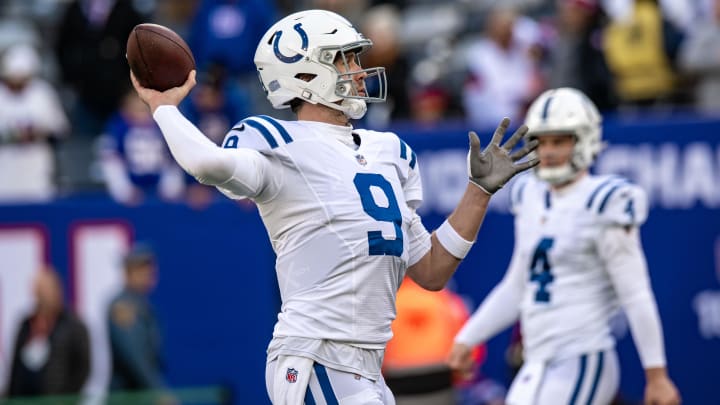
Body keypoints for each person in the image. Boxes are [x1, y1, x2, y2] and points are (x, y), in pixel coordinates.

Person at [130, 9, 538, 404]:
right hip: (317, 353)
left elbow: (431, 271)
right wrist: (163, 107)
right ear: (305, 75)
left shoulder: (387, 151)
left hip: (366, 365)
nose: (359, 71)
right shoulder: (276, 141)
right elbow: (206, 163)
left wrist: (478, 192)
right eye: (344, 60)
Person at [447, 87, 681, 405]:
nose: (549, 151)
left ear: (584, 140)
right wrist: (468, 338)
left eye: (559, 141)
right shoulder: (530, 194)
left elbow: (635, 293)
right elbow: (517, 286)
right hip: (537, 361)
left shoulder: (605, 199)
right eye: (542, 142)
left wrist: (657, 376)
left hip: (582, 355)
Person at [7, 266, 90, 397]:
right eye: (38, 292)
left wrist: (66, 399)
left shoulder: (74, 326)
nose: (41, 297)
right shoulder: (26, 324)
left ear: (57, 291)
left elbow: (83, 368)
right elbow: (15, 367)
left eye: (45, 291)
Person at [107, 244, 165, 391]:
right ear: (129, 273)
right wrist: (157, 390)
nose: (150, 273)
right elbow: (133, 356)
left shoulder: (142, 304)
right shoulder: (122, 306)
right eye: (143, 269)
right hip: (127, 396)